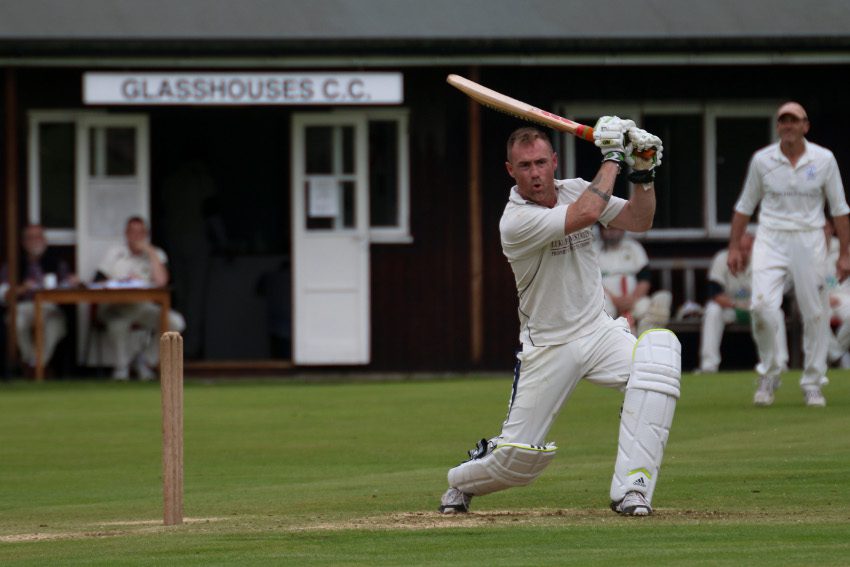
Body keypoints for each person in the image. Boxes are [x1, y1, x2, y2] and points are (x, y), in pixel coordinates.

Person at [438, 119, 681, 517]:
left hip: (599, 331)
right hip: (549, 346)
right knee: (513, 464)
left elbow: (640, 220)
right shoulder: (514, 221)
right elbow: (586, 213)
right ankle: (462, 479)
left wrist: (644, 173)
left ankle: (632, 489)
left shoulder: (574, 188)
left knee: (658, 363)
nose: (534, 174)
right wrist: (615, 157)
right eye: (524, 166)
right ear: (510, 171)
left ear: (554, 161)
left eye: (540, 163)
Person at [728, 101, 850, 408]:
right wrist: (733, 246)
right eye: (783, 121)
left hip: (810, 239)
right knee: (761, 306)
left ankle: (813, 381)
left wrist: (845, 254)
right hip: (771, 238)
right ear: (778, 126)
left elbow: (839, 210)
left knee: (815, 312)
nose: (788, 126)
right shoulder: (762, 160)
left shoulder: (824, 159)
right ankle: (770, 371)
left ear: (805, 126)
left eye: (794, 121)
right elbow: (744, 206)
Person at [94, 216, 186, 380]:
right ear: (126, 233)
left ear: (146, 234)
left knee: (175, 323)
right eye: (132, 232)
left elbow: (162, 282)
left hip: (143, 307)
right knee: (117, 325)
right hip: (116, 307)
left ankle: (144, 360)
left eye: (140, 232)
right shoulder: (114, 253)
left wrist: (149, 251)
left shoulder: (156, 254)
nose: (136, 236)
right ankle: (121, 368)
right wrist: (119, 281)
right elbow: (97, 280)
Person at [698, 231, 788, 373]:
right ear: (733, 248)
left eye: (748, 249)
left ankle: (779, 362)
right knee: (712, 310)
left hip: (756, 309)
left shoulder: (762, 261)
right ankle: (709, 365)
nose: (745, 253)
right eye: (741, 249)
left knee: (777, 312)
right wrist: (736, 304)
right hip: (730, 309)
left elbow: (771, 293)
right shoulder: (721, 259)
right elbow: (714, 294)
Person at [0, 224, 77, 375]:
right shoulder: (13, 264)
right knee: (16, 322)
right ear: (23, 242)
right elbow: (2, 294)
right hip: (24, 307)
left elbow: (66, 287)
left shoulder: (57, 263)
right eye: (30, 237)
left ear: (45, 240)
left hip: (49, 307)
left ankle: (38, 365)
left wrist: (72, 283)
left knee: (54, 325)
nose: (35, 241)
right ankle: (31, 361)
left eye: (38, 237)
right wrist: (21, 288)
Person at [596, 226, 672, 336]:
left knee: (652, 309)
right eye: (607, 229)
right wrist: (615, 300)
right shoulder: (592, 249)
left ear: (622, 228)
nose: (611, 233)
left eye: (615, 228)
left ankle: (644, 345)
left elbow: (644, 278)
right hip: (605, 301)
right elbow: (590, 282)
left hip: (633, 300)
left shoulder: (634, 247)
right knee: (603, 309)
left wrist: (632, 299)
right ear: (600, 230)